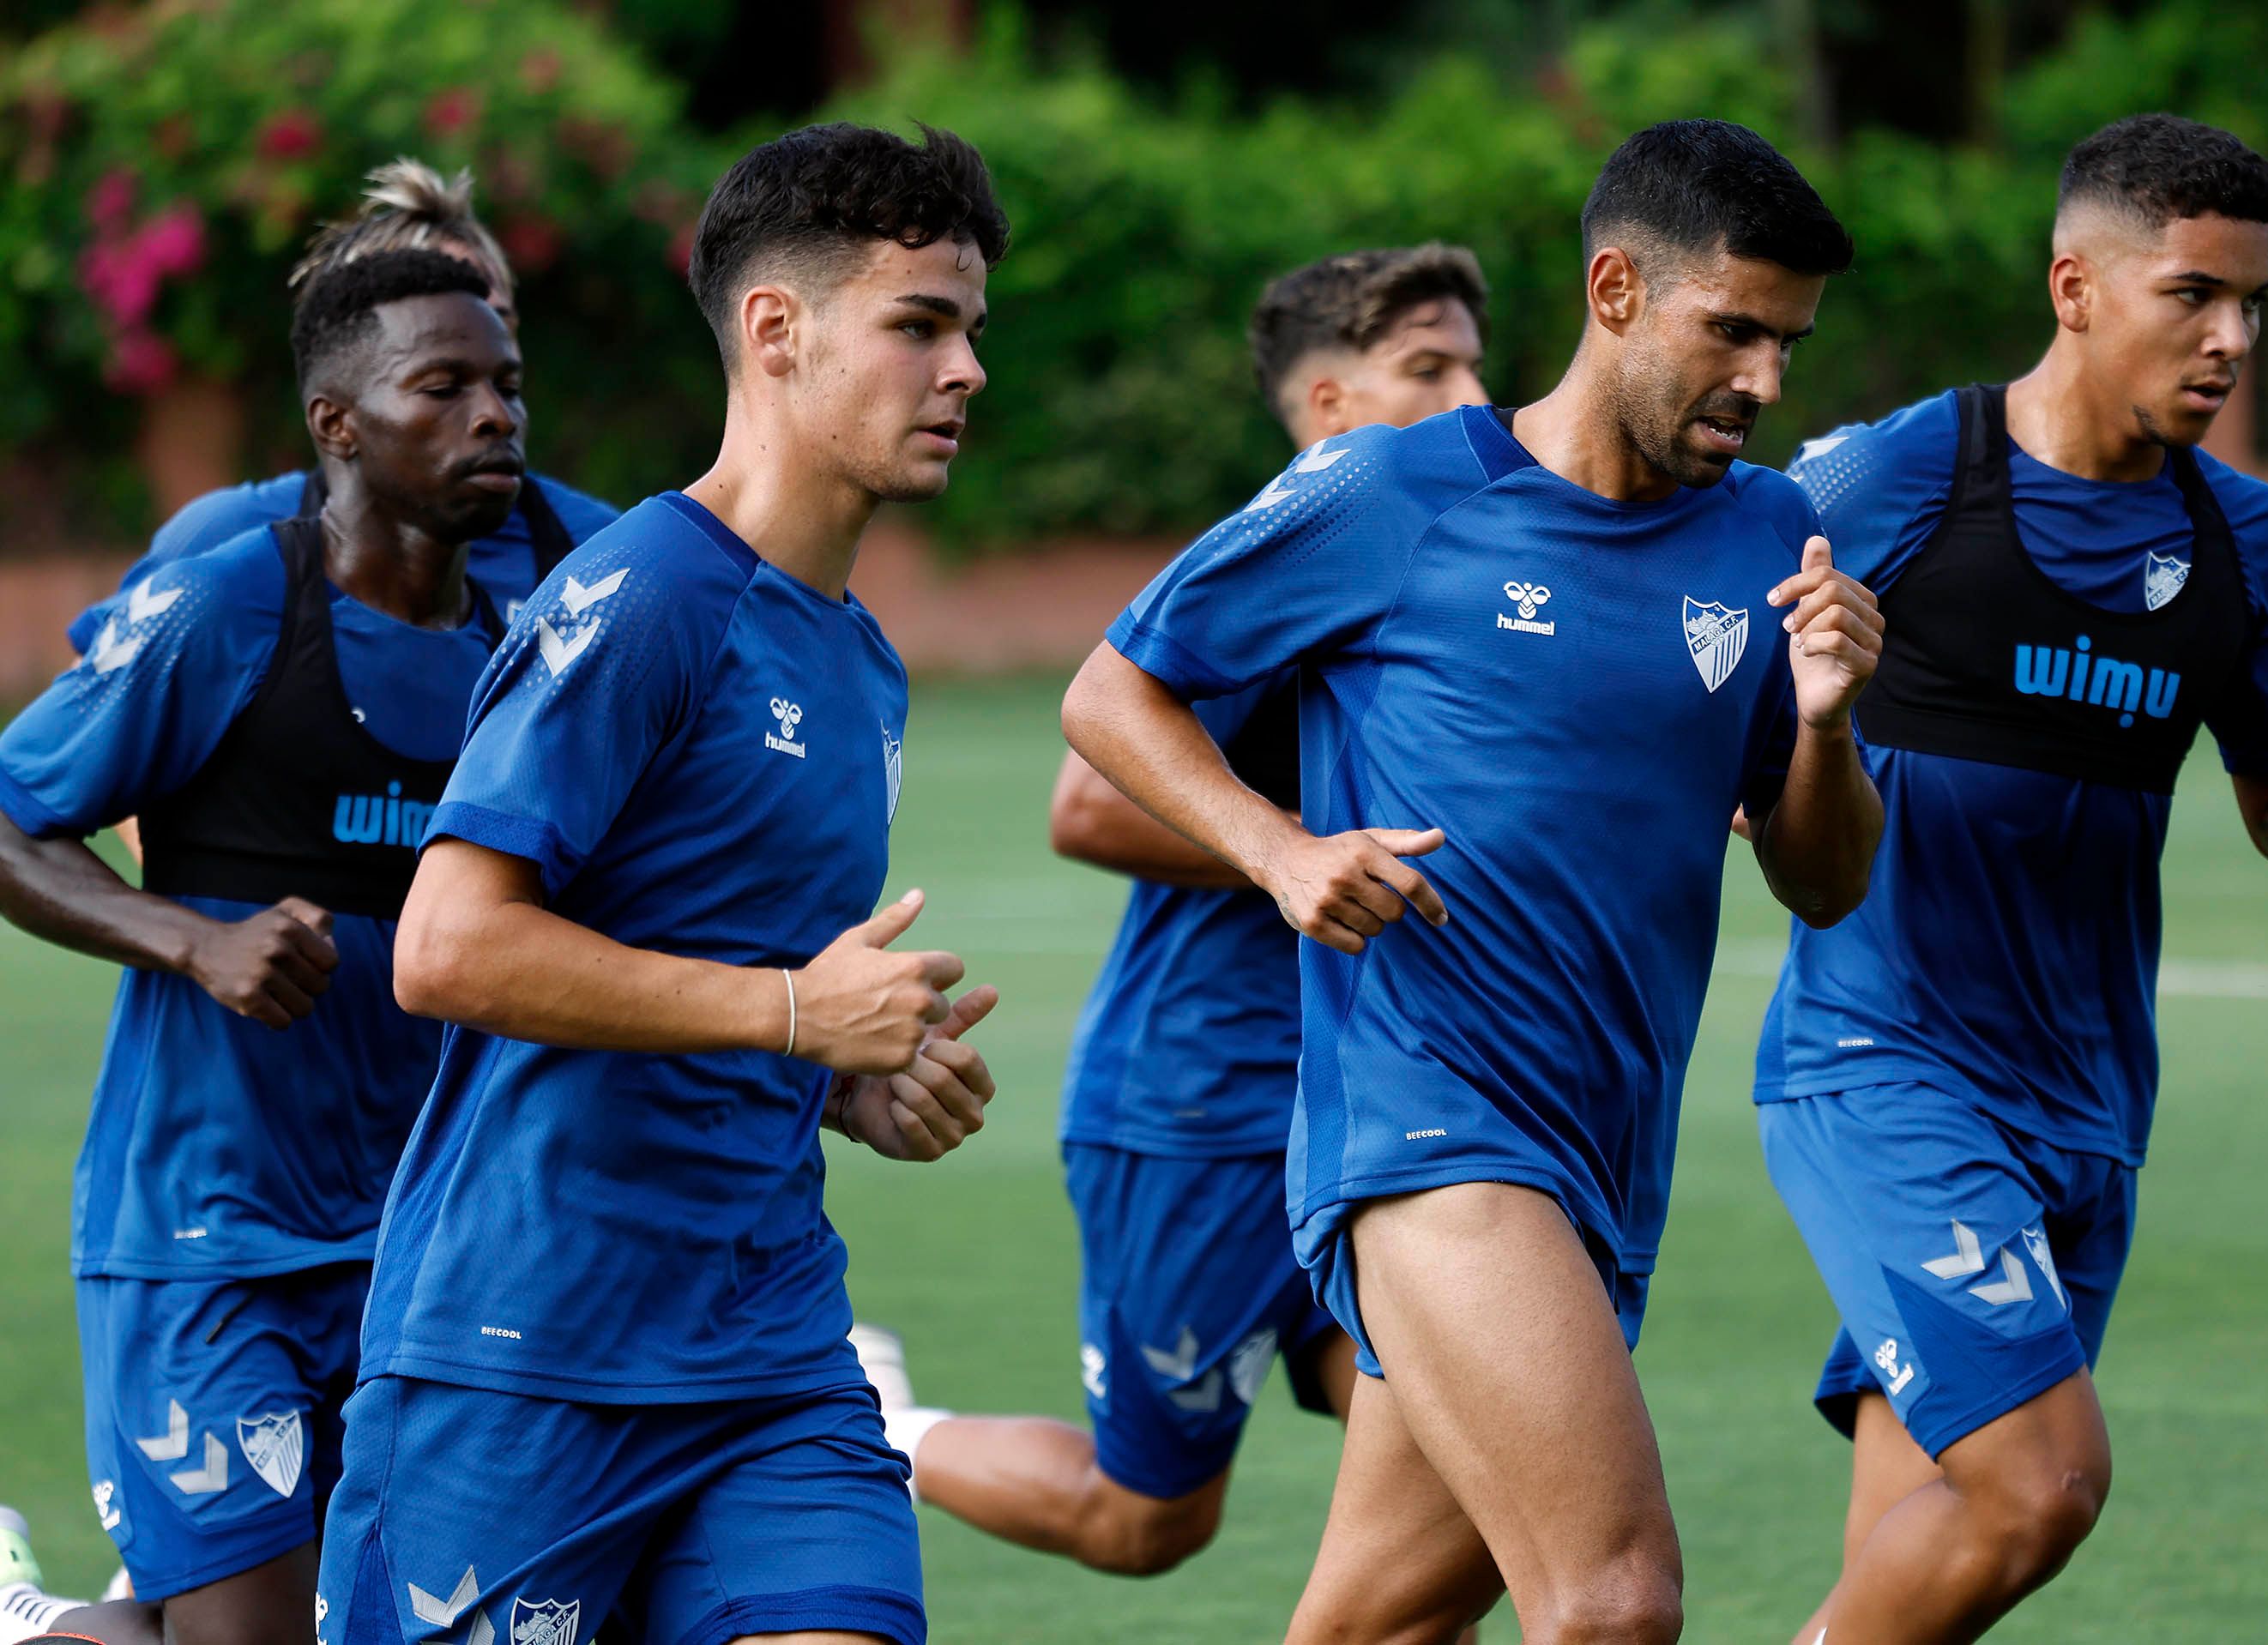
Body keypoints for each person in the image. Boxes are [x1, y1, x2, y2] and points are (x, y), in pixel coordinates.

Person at [1059, 120, 1884, 1645]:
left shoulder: (1773, 532)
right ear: (1618, 289)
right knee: (1616, 1598)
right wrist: (1282, 849)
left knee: (1376, 1624)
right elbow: (1112, 694)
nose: (1766, 383)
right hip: (1432, 1132)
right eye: (1735, 331)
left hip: (1607, 1159)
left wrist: (1828, 725)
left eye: (1788, 343)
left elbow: (1822, 880)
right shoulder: (1386, 496)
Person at [1758, 113, 2268, 1645]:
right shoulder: (1900, 477)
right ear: (2076, 286)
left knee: (1939, 1546)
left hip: (2092, 1106)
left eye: (2253, 306)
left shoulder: (2246, 542)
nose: (2232, 340)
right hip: (1887, 1069)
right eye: (2193, 295)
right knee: (2043, 1484)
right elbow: (1702, 664)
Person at [313, 123, 1009, 1645]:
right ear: (776, 330)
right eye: (919, 325)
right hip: (522, 1356)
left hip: (769, 1356)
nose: (964, 370)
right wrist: (788, 1010)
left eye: (968, 330)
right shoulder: (644, 598)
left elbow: (734, 977)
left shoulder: (862, 661)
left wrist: (849, 1079)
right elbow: (448, 946)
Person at [866, 244, 1490, 1578]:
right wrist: (1300, 853)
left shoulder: (1458, 564)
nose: (1473, 395)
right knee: (1145, 1519)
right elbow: (1086, 807)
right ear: (1330, 406)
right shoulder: (1289, 553)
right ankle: (878, 1422)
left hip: (1370, 1103)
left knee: (1478, 1455)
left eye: (1476, 364)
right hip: (1202, 1102)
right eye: (1429, 368)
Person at [0, 250, 529, 1645]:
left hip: (430, 1243)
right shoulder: (232, 601)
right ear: (337, 424)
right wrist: (188, 936)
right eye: (447, 385)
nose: (496, 414)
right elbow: (10, 812)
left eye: (507, 383)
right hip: (208, 1230)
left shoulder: (530, 646)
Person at [65, 159, 618, 657]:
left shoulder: (601, 553)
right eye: (436, 347)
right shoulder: (225, 544)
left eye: (493, 320)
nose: (475, 348)